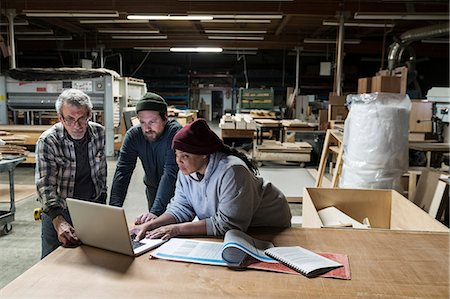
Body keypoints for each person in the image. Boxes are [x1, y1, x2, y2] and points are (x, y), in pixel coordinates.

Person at [133, 119, 292, 240]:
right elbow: (181, 208)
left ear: (204, 153)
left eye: (185, 156)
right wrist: (150, 225)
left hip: (268, 225)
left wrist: (176, 229)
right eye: (177, 155)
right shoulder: (186, 171)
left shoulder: (232, 171)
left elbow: (227, 225)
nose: (178, 161)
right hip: (240, 227)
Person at [36, 89, 107, 258]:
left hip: (90, 209)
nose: (77, 125)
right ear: (60, 118)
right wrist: (58, 220)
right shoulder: (48, 141)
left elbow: (101, 174)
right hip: (59, 211)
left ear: (90, 114)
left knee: (92, 261)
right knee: (52, 264)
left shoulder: (99, 133)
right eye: (70, 119)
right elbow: (45, 184)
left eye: (82, 118)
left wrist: (102, 206)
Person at [109, 92, 182, 223]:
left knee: (173, 231)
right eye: (142, 122)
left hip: (177, 193)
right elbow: (122, 172)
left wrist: (155, 212)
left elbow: (170, 173)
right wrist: (113, 211)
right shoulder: (134, 136)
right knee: (155, 231)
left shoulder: (175, 133)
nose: (147, 128)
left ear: (165, 117)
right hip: (153, 189)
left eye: (152, 122)